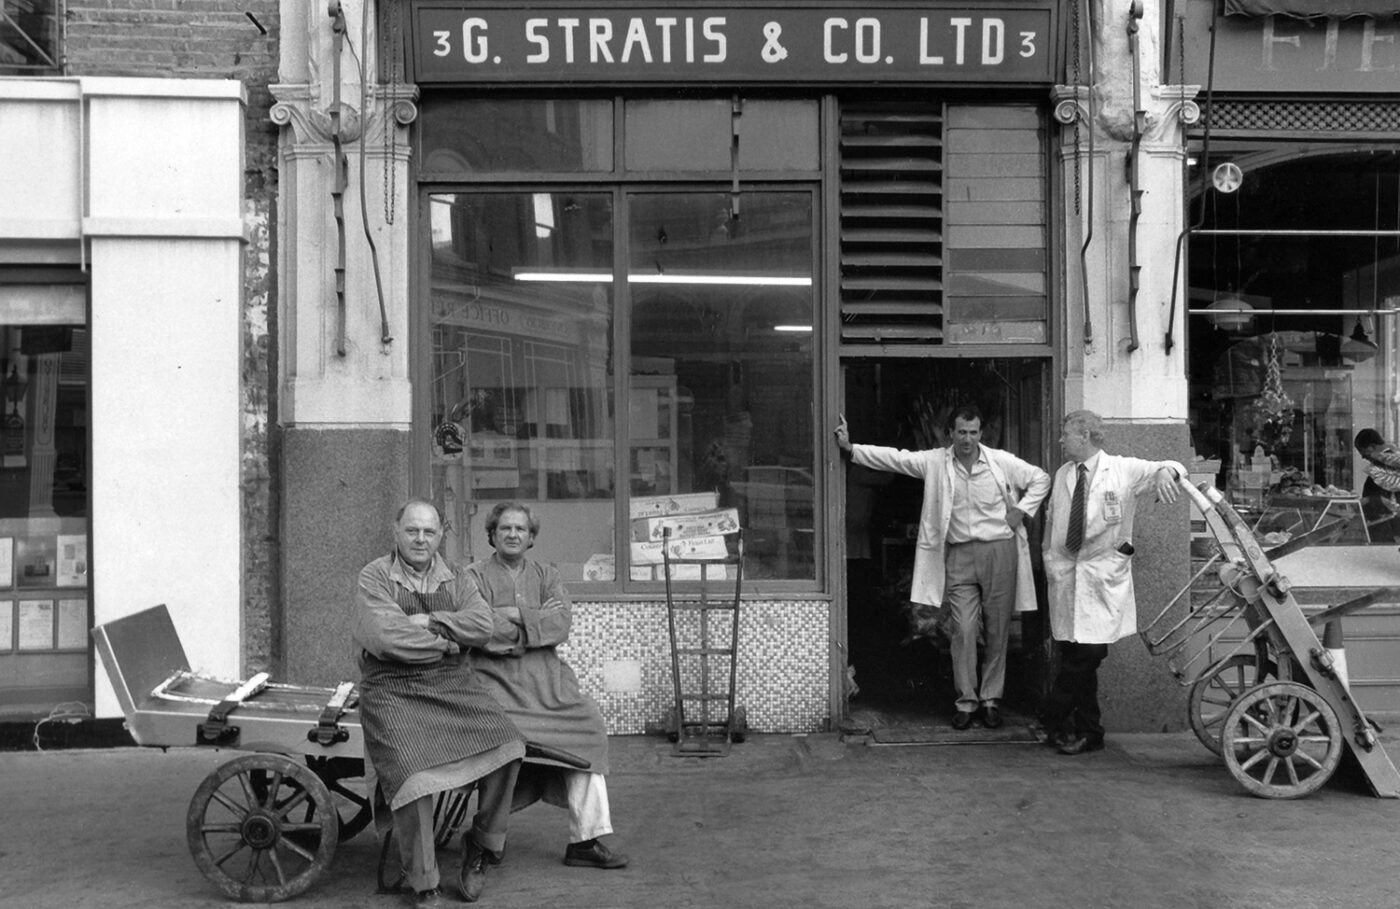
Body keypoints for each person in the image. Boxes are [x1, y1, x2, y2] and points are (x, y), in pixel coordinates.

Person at [353, 499, 527, 907]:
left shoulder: (457, 578)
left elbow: (482, 626)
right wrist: (449, 643)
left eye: (429, 532)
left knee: (509, 746)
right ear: (396, 532)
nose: (420, 539)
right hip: (390, 687)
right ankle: (423, 879)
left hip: (450, 683)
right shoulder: (374, 576)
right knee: (412, 776)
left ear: (441, 535)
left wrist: (432, 621)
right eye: (412, 530)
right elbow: (386, 640)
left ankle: (482, 844)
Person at [835, 405, 1051, 730]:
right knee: (962, 630)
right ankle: (966, 700)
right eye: (961, 432)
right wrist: (852, 449)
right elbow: (897, 459)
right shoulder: (936, 461)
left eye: (973, 433)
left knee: (997, 629)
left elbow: (1041, 479)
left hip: (999, 551)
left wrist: (1021, 510)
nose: (967, 439)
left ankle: (991, 700)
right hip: (959, 554)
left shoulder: (1000, 462)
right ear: (951, 433)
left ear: (981, 433)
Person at [462, 502, 629, 870]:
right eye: (505, 528)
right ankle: (488, 836)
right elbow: (479, 628)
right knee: (503, 739)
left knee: (590, 726)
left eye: (520, 529)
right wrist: (532, 627)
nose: (512, 534)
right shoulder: (472, 577)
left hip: (549, 683)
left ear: (531, 537)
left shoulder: (547, 575)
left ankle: (585, 840)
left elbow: (561, 623)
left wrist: (514, 614)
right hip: (495, 681)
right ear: (492, 534)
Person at [1041, 411, 1186, 755]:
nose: (1061, 440)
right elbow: (1052, 519)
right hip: (1066, 575)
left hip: (1102, 577)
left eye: (1066, 434)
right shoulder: (1063, 474)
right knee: (1077, 652)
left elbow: (1174, 466)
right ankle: (1090, 732)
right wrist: (1048, 557)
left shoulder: (1122, 469)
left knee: (1090, 653)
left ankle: (1050, 715)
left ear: (1085, 436)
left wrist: (1165, 472)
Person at [1354, 428, 1400, 543]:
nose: (1363, 456)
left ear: (1372, 446)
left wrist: (1366, 500)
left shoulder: (1386, 464)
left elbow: (1386, 500)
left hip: (1388, 529)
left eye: (1363, 451)